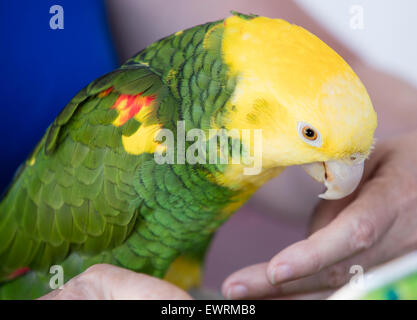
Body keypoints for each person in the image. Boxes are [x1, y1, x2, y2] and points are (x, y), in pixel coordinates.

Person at [41, 0, 417, 299]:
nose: (350, 167)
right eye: (310, 133)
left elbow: (342, 78)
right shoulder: (136, 123)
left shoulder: (236, 107)